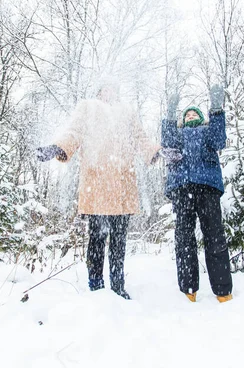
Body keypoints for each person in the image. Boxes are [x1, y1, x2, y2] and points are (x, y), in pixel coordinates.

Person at [36, 78, 180, 299]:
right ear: (99, 91)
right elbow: (73, 133)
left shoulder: (126, 112)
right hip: (96, 187)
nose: (109, 92)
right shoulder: (88, 108)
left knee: (119, 241)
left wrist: (157, 151)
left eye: (113, 88)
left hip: (123, 187)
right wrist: (56, 148)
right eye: (105, 88)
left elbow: (141, 138)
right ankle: (95, 285)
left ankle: (117, 286)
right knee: (96, 239)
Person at [161, 85, 233, 303]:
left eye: (195, 113)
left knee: (214, 235)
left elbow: (219, 139)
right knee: (184, 237)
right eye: (187, 113)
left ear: (202, 118)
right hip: (182, 189)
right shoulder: (179, 134)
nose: (191, 114)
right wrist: (171, 113)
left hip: (207, 186)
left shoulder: (208, 131)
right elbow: (167, 140)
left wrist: (217, 109)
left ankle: (222, 289)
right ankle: (188, 287)